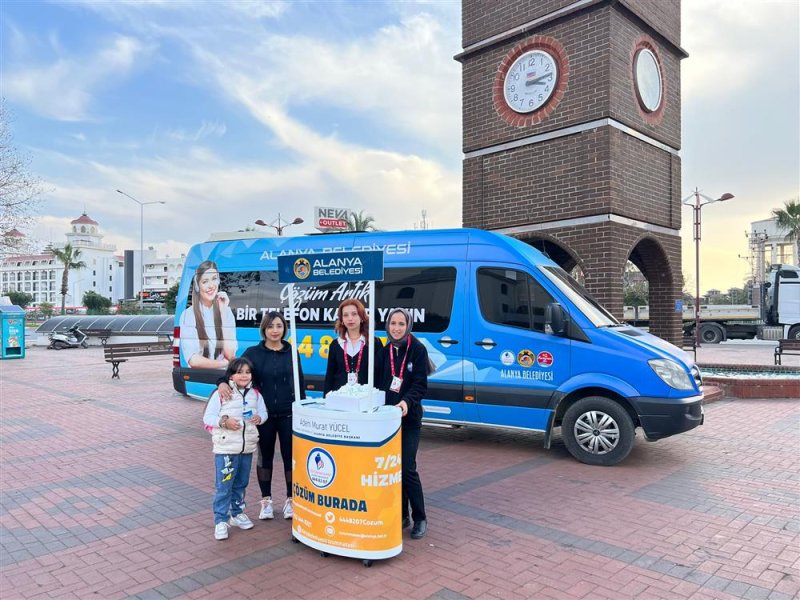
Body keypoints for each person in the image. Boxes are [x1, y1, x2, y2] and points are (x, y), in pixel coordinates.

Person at [216, 311, 304, 521]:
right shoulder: (253, 353)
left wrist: (302, 408)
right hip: (261, 417)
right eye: (271, 326)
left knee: (290, 458)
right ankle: (266, 500)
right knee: (264, 456)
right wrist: (221, 382)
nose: (275, 330)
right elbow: (232, 372)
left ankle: (290, 500)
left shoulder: (292, 352)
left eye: (279, 326)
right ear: (264, 329)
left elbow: (299, 382)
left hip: (287, 413)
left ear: (284, 329)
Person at [377, 307, 429, 539]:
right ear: (387, 325)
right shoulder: (384, 350)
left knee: (407, 468)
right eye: (393, 323)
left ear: (408, 326)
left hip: (409, 420)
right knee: (392, 469)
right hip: (387, 422)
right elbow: (378, 383)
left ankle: (420, 517)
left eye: (401, 324)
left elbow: (420, 385)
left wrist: (406, 403)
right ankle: (402, 515)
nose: (396, 328)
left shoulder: (417, 350)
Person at [203, 357, 267, 541]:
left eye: (247, 372)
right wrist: (224, 422)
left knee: (241, 484)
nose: (244, 375)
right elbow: (208, 417)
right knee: (224, 486)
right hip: (226, 450)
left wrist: (259, 418)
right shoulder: (221, 393)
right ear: (231, 375)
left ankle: (237, 513)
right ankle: (221, 520)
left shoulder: (255, 394)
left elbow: (263, 412)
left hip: (246, 449)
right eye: (239, 372)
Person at [180, 260, 237, 369]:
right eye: (205, 281)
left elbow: (230, 355)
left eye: (214, 279)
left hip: (224, 376)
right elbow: (193, 360)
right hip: (201, 376)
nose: (211, 285)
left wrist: (223, 312)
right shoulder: (188, 314)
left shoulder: (226, 311)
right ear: (197, 285)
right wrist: (223, 364)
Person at [324, 299, 383, 395]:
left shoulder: (374, 343)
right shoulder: (335, 345)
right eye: (345, 315)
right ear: (342, 320)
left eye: (354, 314)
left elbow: (380, 375)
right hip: (339, 401)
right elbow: (329, 378)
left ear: (362, 317)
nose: (350, 318)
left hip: (366, 402)